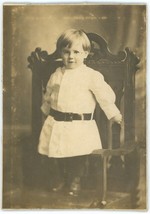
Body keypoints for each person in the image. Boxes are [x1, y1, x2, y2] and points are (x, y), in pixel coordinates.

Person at [38, 29, 122, 196]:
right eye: (66, 52)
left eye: (76, 52)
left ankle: (75, 180)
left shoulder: (91, 75)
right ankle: (61, 178)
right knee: (56, 152)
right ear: (61, 52)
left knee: (78, 155)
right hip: (57, 122)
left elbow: (104, 96)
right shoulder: (56, 75)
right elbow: (49, 96)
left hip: (80, 125)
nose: (71, 56)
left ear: (86, 53)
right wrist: (45, 111)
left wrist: (114, 114)